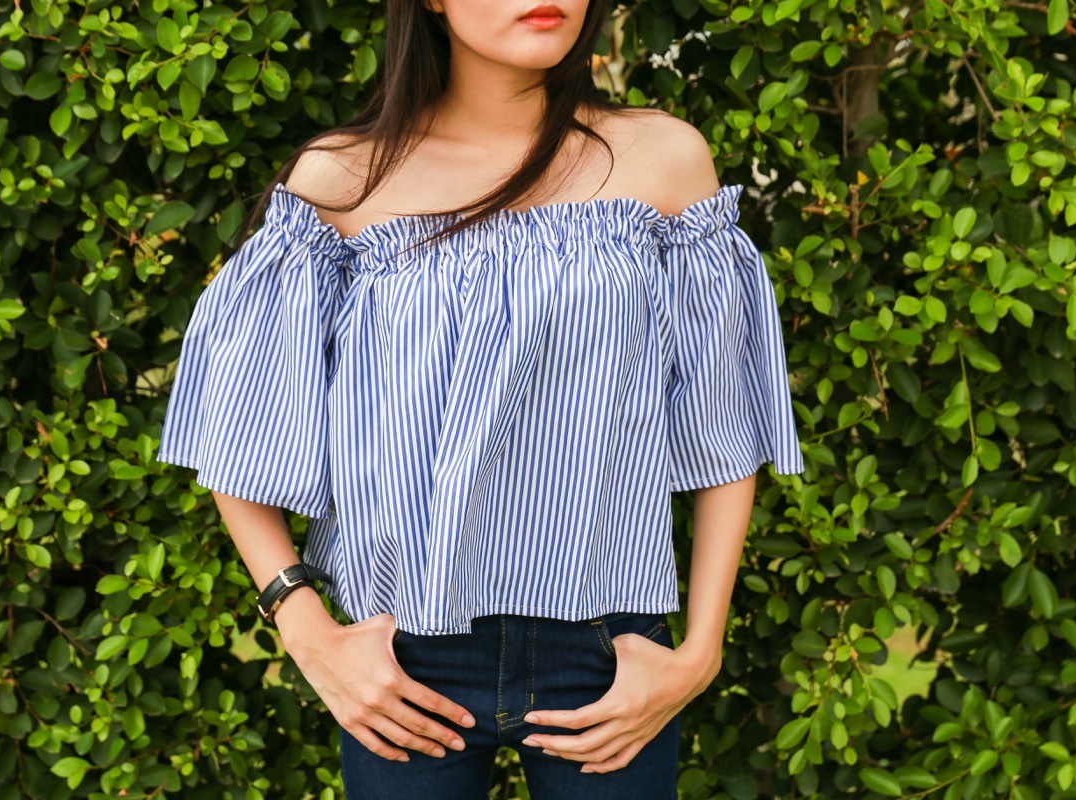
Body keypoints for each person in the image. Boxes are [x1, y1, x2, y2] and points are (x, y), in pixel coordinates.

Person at [156, 0, 805, 797]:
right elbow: (241, 431)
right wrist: (310, 634)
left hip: (607, 653)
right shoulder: (343, 180)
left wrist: (698, 654)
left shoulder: (661, 160)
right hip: (405, 659)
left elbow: (723, 425)